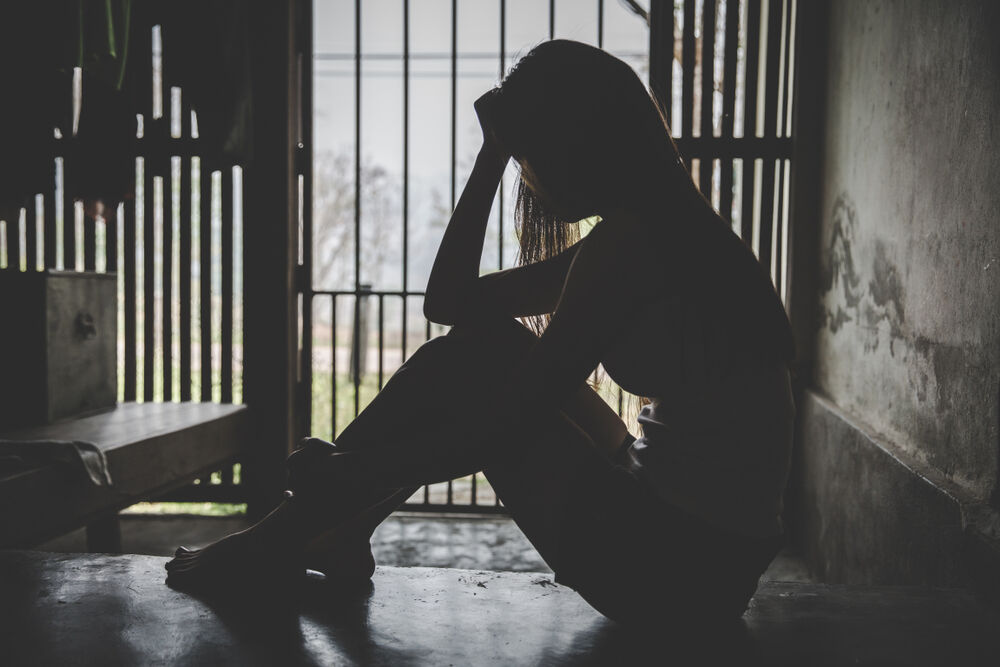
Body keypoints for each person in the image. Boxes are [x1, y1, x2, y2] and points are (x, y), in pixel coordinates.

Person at [166, 39, 795, 628]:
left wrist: (352, 471)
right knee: (481, 348)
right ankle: (336, 532)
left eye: (528, 149)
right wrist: (492, 149)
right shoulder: (659, 228)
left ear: (574, 142)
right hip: (704, 554)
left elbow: (507, 425)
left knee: (467, 369)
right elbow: (451, 303)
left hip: (678, 570)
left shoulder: (634, 246)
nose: (528, 171)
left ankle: (279, 541)